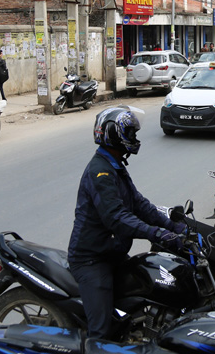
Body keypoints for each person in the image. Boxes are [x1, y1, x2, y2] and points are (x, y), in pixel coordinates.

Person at [67, 107, 187, 338]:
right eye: (130, 133)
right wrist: (156, 234)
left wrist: (173, 227)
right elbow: (116, 218)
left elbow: (139, 204)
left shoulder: (115, 165)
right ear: (114, 134)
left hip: (113, 254)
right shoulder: (99, 172)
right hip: (92, 259)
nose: (134, 138)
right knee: (101, 333)